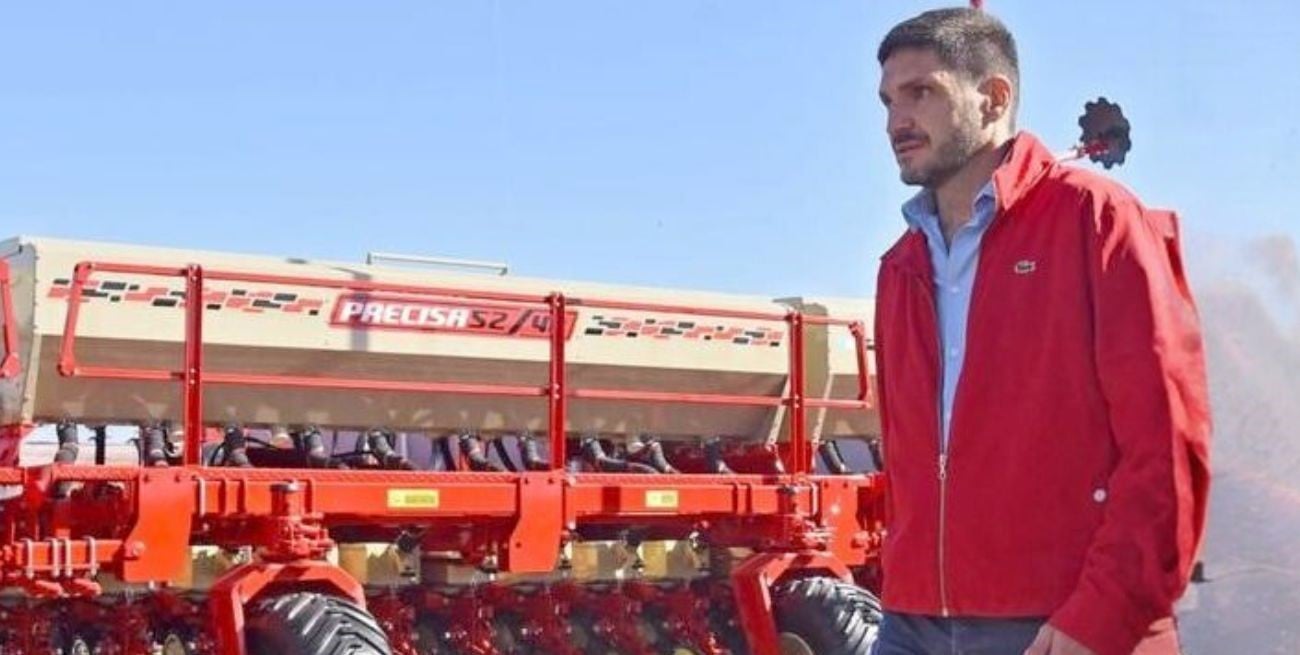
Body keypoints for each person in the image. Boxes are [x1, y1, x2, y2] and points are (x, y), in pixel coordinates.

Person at [870, 7, 1211, 655]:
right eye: (887, 101)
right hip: (910, 620)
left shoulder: (1098, 221)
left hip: (1058, 624)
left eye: (921, 93)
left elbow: (1167, 444)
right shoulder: (899, 268)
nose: (896, 122)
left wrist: (1104, 613)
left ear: (994, 97)